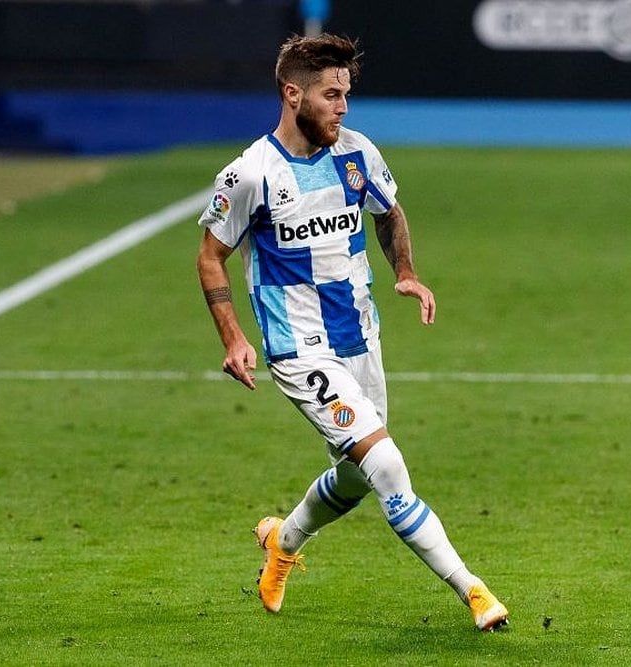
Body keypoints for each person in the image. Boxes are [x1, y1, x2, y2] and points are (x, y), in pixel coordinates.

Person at [195, 33, 509, 632]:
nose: (343, 107)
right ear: (293, 94)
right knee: (387, 466)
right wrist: (233, 337)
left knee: (359, 476)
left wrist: (408, 273)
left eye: (346, 94)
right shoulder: (249, 174)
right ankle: (473, 590)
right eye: (330, 94)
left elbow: (388, 212)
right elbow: (211, 255)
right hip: (298, 348)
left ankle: (282, 541)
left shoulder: (357, 153)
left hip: (360, 336)